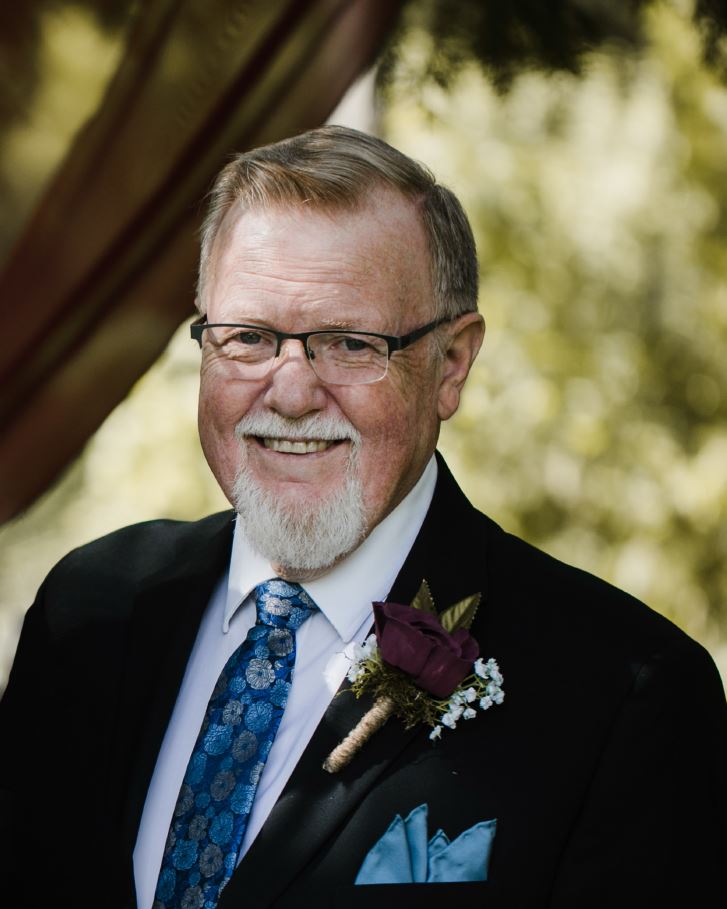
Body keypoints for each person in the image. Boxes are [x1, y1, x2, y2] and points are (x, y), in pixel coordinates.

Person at [0, 126, 725, 909]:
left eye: (348, 343)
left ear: (451, 364)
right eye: (247, 337)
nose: (289, 391)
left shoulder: (623, 697)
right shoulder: (88, 611)